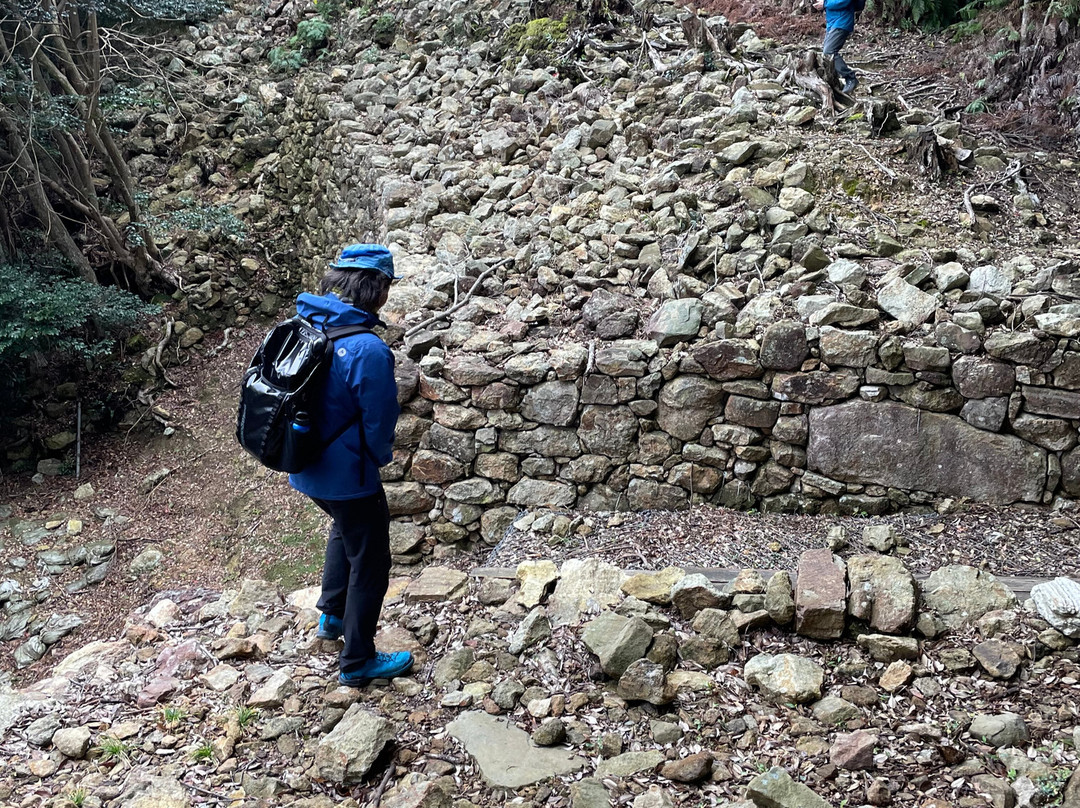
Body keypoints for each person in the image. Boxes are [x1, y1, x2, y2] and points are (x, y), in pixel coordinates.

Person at [288, 243, 413, 687]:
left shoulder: (305, 322)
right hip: (348, 474)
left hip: (304, 465)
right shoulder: (367, 349)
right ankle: (358, 662)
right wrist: (378, 459)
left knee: (344, 528)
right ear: (376, 289)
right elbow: (379, 420)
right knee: (372, 561)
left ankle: (331, 617)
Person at [813, 0, 859, 95]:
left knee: (829, 51)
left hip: (842, 21)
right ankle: (833, 82)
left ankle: (850, 78)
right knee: (826, 54)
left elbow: (845, 1)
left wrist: (825, 4)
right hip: (833, 23)